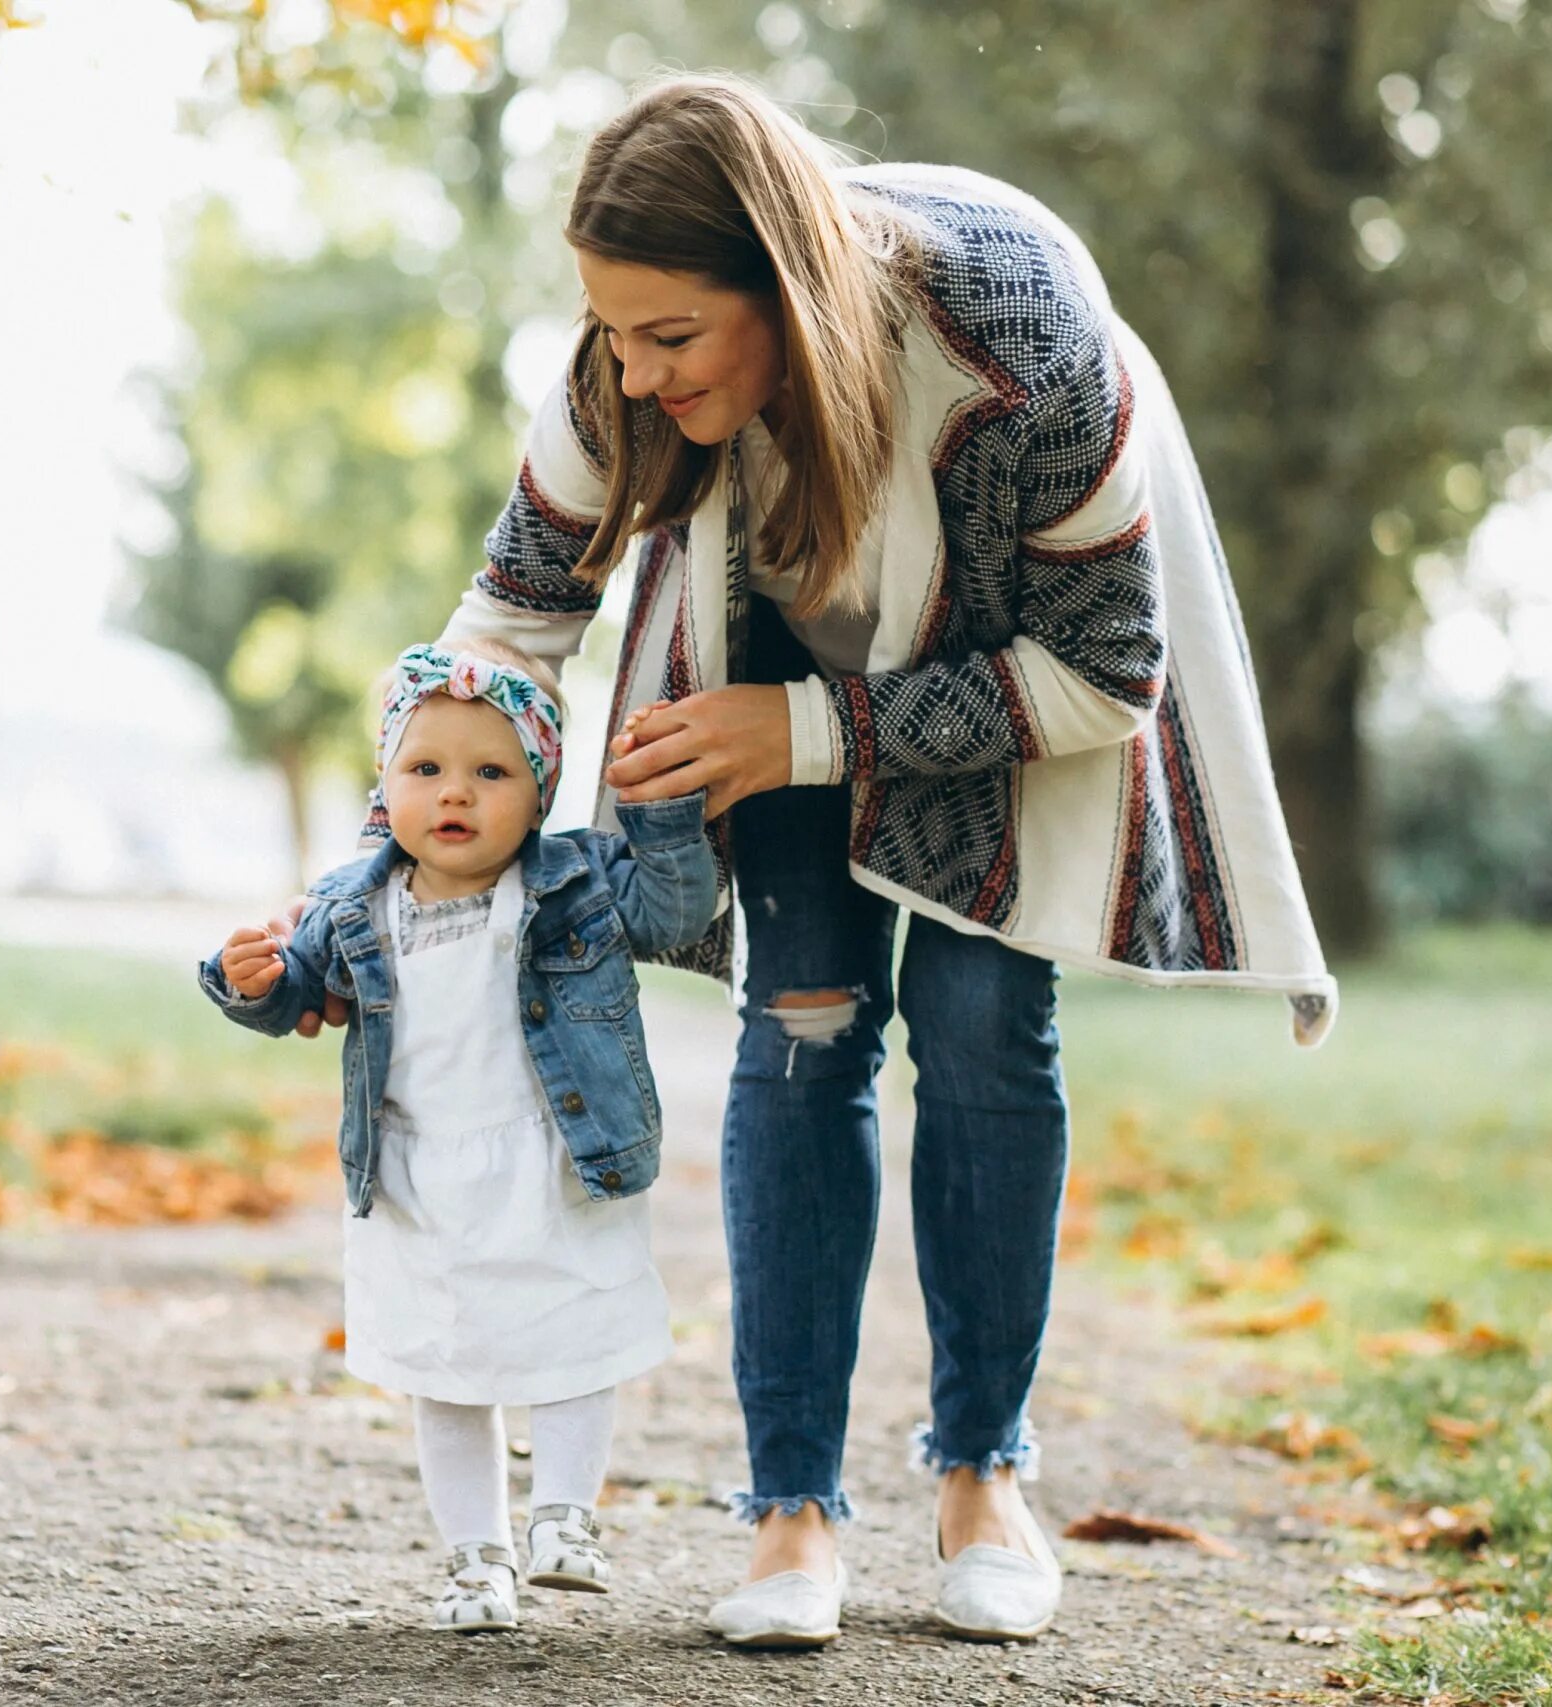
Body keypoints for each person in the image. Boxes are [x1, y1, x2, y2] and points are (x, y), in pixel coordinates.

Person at [287, 75, 1338, 1646]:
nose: (629, 378)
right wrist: (374, 885)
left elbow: (1107, 676)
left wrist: (806, 732)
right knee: (806, 1025)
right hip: (764, 646)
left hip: (1003, 675)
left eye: (668, 338)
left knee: (986, 1022)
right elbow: (504, 626)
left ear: (780, 284)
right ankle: (791, 1510)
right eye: (610, 334)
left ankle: (984, 1472)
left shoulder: (1020, 340)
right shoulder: (623, 376)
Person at [200, 638, 720, 1633]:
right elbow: (295, 994)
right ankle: (475, 1560)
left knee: (578, 1336)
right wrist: (248, 981)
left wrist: (660, 811)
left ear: (538, 796)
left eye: (491, 773)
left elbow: (675, 911)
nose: (456, 794)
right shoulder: (353, 902)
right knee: (444, 1370)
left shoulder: (576, 880)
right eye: (425, 768)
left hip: (556, 1157)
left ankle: (565, 1518)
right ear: (384, 786)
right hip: (419, 1176)